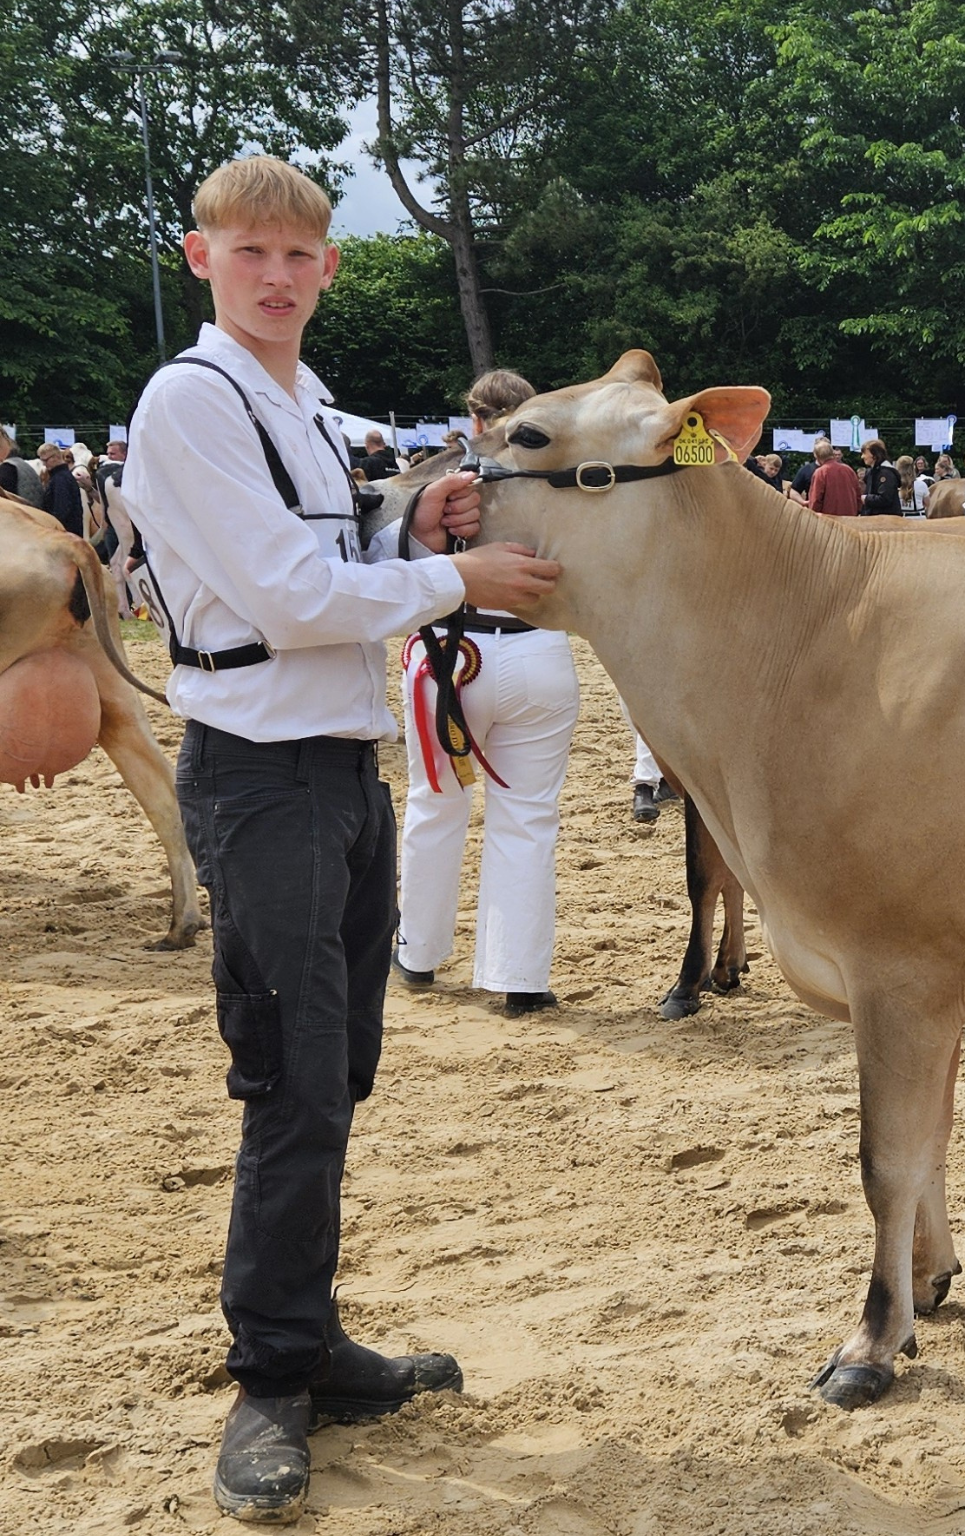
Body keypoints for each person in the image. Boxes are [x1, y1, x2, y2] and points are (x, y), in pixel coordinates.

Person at [122, 155, 558, 1523]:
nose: (276, 275)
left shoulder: (301, 403)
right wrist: (454, 572)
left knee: (336, 1067)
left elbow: (329, 556)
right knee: (292, 1076)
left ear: (327, 266)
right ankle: (269, 1375)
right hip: (260, 774)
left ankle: (308, 1338)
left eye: (298, 254)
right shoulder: (192, 399)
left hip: (337, 768)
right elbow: (288, 595)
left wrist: (402, 522)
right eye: (249, 251)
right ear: (201, 258)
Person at [394, 366, 580, 1019]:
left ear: (474, 420)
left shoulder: (442, 479)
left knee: (435, 804)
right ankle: (520, 976)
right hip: (538, 653)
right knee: (528, 818)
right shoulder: (561, 486)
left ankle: (418, 952)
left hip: (454, 654)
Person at [37, 441, 85, 537]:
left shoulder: (60, 479)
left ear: (56, 457)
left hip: (63, 534)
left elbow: (61, 510)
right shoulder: (62, 476)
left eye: (46, 460)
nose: (44, 464)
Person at [806, 442, 862, 517]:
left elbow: (816, 499)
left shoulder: (820, 472)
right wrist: (857, 511)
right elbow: (858, 493)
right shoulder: (849, 470)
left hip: (829, 519)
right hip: (850, 517)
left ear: (817, 456)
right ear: (832, 453)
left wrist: (813, 515)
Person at [0, 428, 44, 506]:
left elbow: (5, 504)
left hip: (20, 511)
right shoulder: (26, 466)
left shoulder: (7, 469)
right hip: (34, 511)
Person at [859, 438, 902, 516]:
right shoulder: (871, 472)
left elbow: (885, 499)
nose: (862, 456)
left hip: (886, 519)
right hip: (875, 518)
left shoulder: (886, 473)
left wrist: (866, 499)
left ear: (875, 455)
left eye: (865, 453)